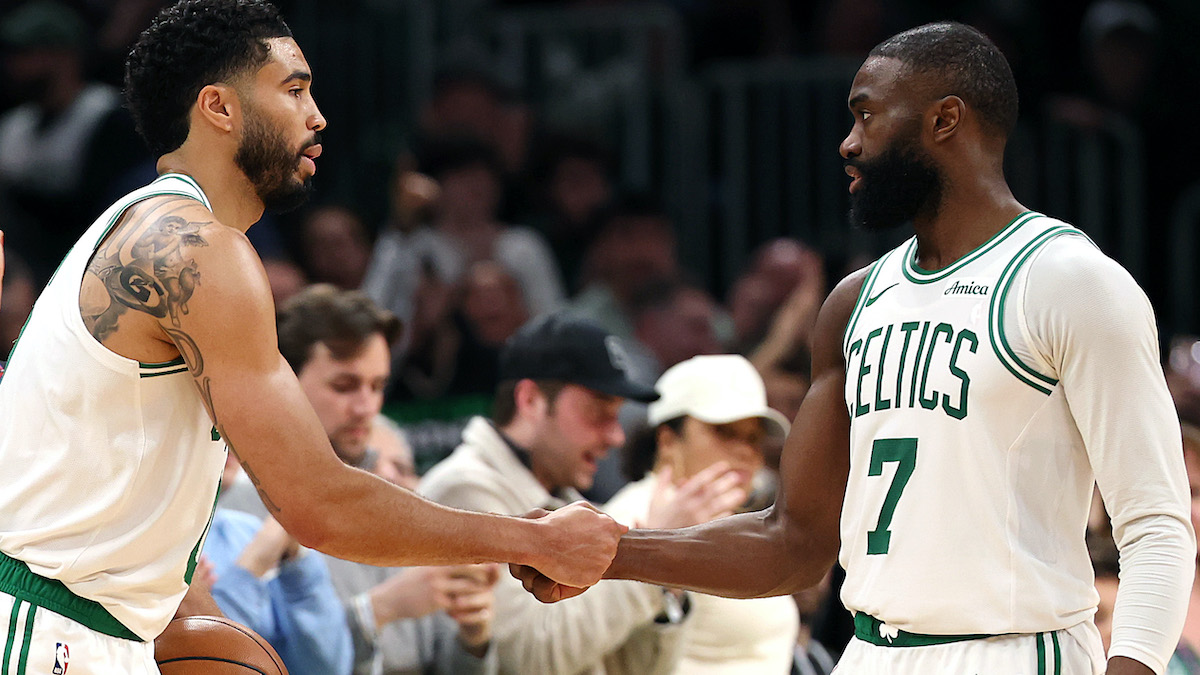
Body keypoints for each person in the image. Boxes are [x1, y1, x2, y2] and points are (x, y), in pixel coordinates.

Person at [514, 22, 1195, 675]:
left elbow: (1158, 527)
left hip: (1013, 650)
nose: (847, 142)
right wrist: (607, 553)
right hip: (872, 650)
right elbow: (793, 544)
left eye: (866, 116)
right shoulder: (854, 302)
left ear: (944, 120)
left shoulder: (1071, 282)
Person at [0, 2, 624, 673]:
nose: (318, 115)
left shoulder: (148, 230)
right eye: (293, 89)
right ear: (219, 107)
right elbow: (320, 504)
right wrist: (530, 540)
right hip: (47, 630)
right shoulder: (194, 248)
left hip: (83, 623)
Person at [421, 312, 740, 675]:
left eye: (618, 416)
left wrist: (666, 575)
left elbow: (634, 670)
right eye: (598, 412)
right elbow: (524, 661)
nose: (616, 436)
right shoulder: (464, 491)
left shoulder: (576, 505)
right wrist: (654, 555)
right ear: (530, 400)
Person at [217, 283, 500, 675]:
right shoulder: (236, 510)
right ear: (284, 383)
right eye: (345, 386)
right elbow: (241, 661)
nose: (366, 407)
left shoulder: (399, 498)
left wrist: (474, 639)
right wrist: (378, 611)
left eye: (378, 386)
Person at [605, 354, 799, 674]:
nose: (745, 451)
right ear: (668, 440)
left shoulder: (742, 520)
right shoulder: (629, 519)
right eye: (725, 431)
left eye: (753, 438)